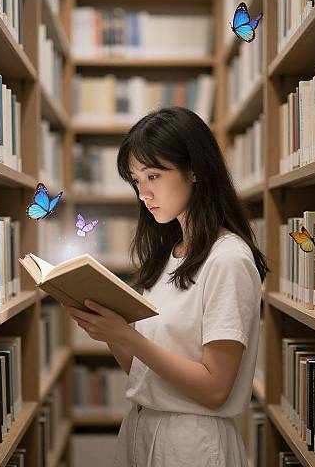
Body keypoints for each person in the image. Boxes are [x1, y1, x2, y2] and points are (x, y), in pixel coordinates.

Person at [64, 106, 269, 467]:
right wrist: (109, 329)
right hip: (144, 429)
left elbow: (215, 389)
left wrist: (127, 336)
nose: (143, 193)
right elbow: (144, 371)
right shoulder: (168, 255)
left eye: (153, 176)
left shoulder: (228, 259)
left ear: (194, 171)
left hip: (192, 443)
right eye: (136, 180)